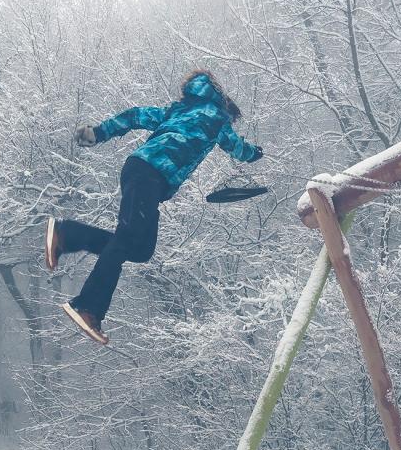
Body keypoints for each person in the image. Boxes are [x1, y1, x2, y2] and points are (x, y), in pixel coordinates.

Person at [46, 70, 263, 344]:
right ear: (223, 101)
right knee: (126, 241)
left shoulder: (177, 110)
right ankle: (87, 307)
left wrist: (99, 133)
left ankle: (68, 235)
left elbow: (136, 115)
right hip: (150, 174)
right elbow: (237, 148)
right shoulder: (217, 117)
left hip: (141, 172)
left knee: (140, 249)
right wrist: (255, 153)